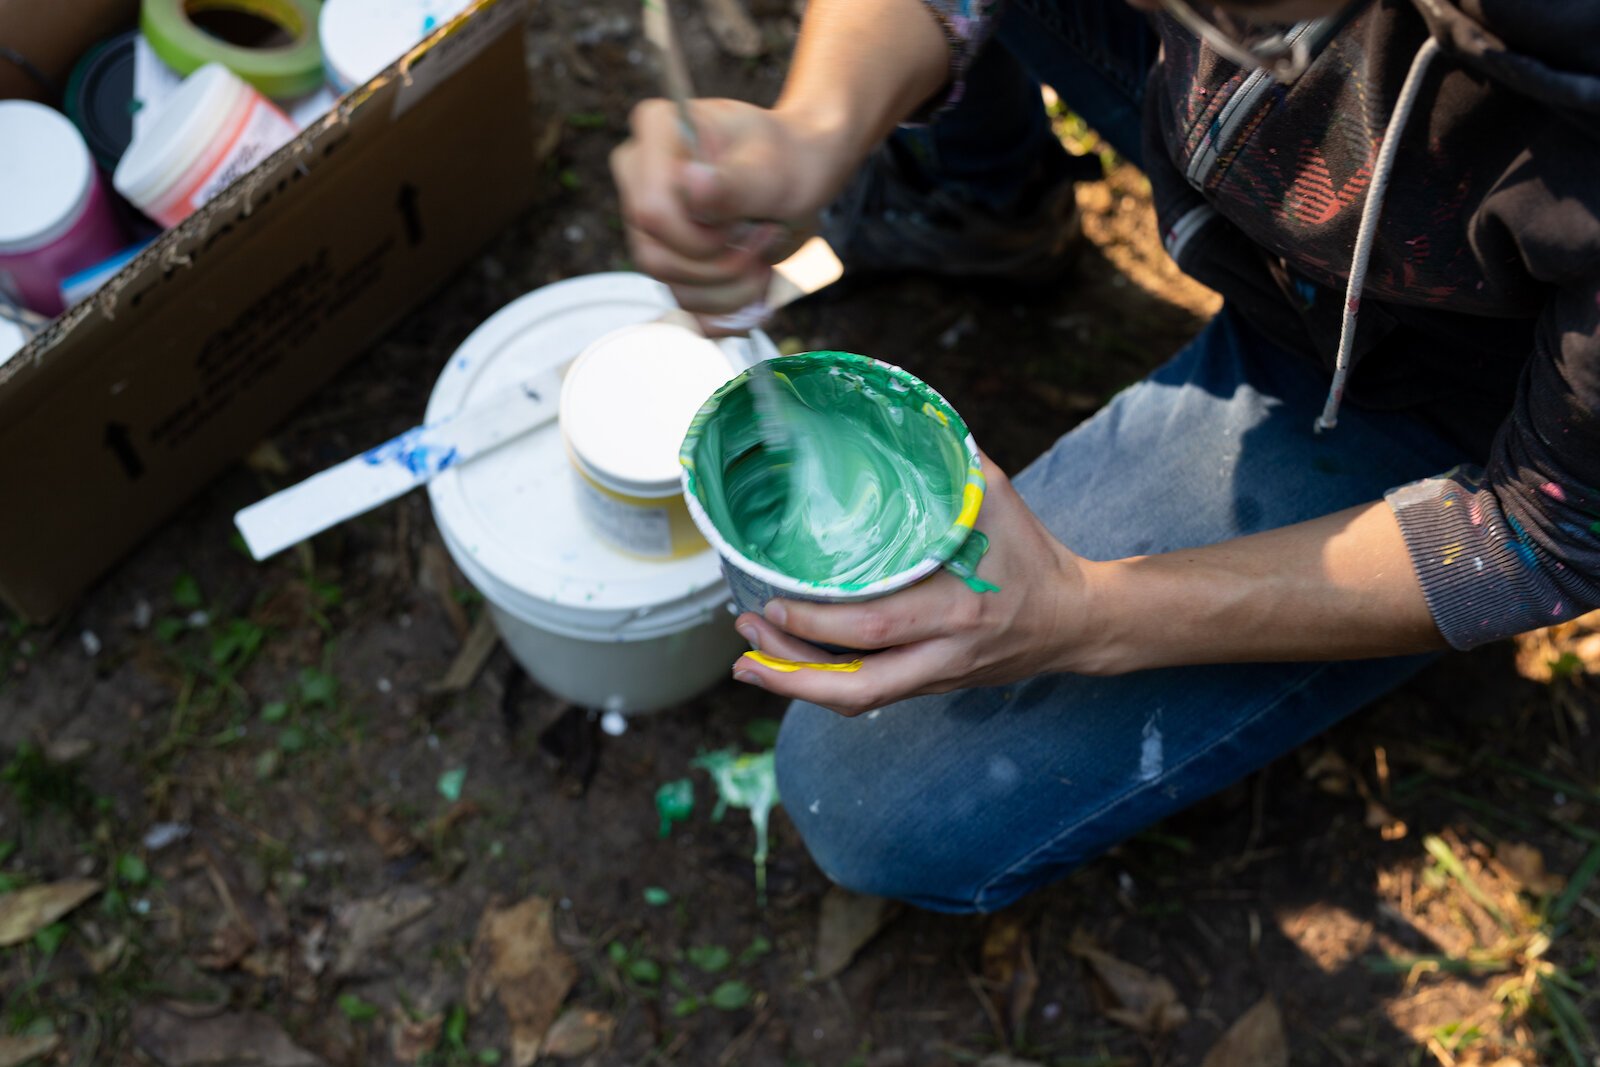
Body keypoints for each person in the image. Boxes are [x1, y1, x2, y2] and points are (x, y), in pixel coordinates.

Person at [609, 0, 1600, 913]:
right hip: (1283, 151)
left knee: (865, 790)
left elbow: (1538, 536)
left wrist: (1084, 613)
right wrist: (816, 125)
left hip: (1444, 378)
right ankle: (985, 209)